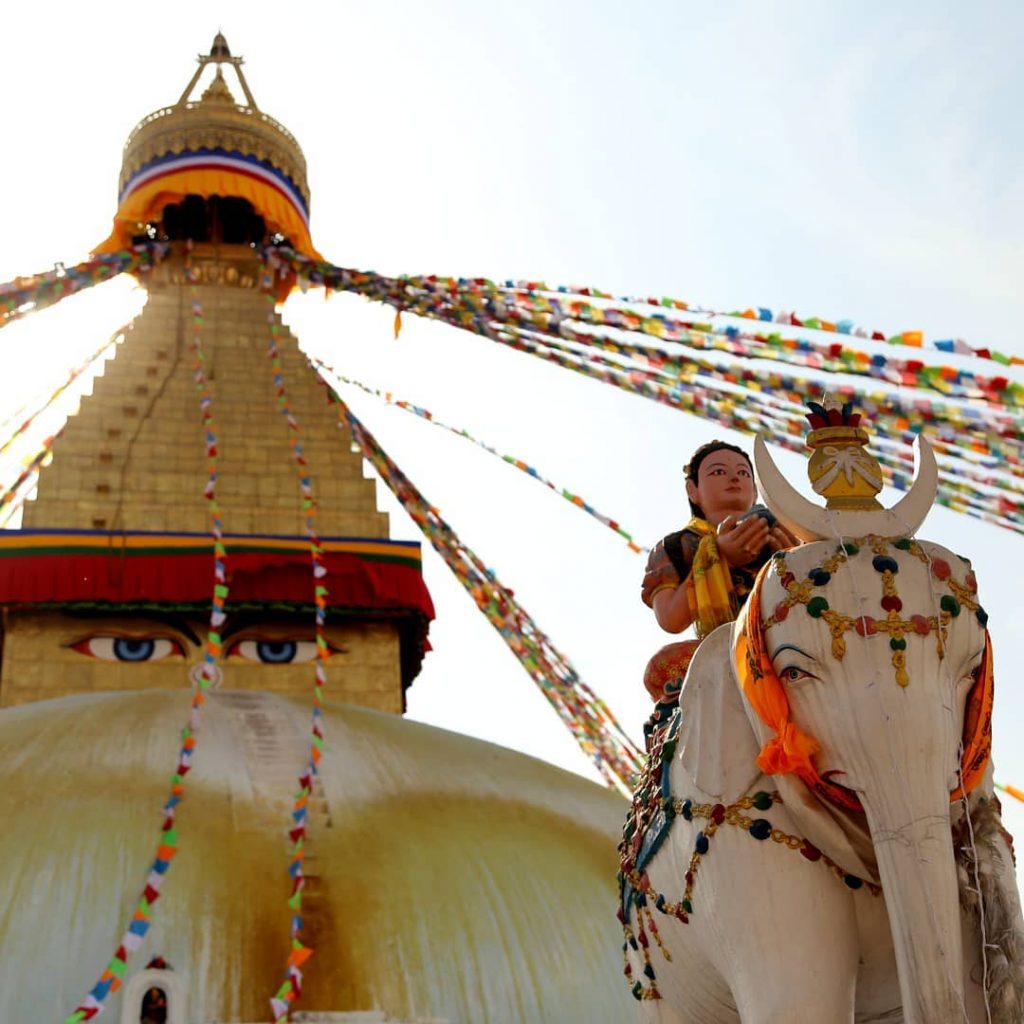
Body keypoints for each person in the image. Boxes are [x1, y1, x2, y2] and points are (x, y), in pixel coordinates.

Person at [639, 440, 797, 737]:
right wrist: (718, 557)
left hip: (783, 641)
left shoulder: (783, 535)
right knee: (663, 668)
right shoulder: (677, 546)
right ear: (693, 490)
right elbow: (670, 619)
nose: (734, 478)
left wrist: (794, 562)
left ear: (756, 490)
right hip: (722, 646)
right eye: (718, 472)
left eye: (744, 473)